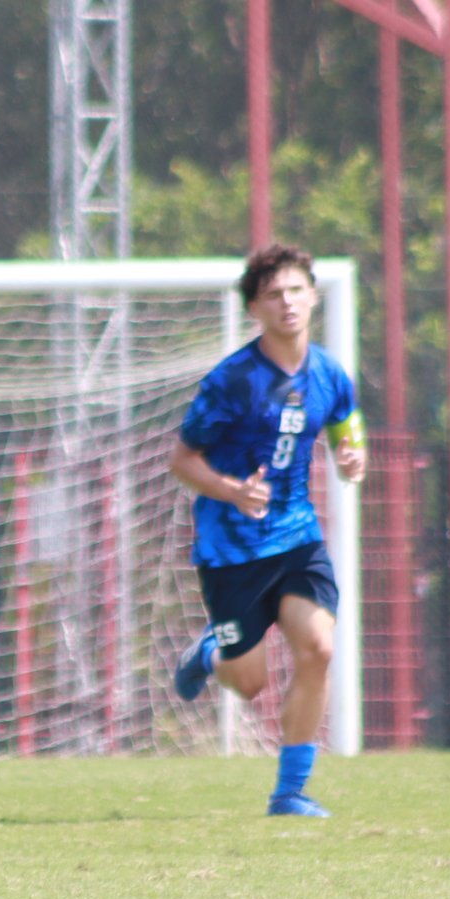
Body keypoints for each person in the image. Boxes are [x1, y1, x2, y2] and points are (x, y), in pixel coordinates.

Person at [168, 243, 366, 817]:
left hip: (297, 539)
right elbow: (182, 459)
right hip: (231, 550)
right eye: (273, 294)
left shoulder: (329, 372)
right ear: (254, 308)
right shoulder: (232, 382)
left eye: (297, 291)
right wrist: (232, 489)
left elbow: (347, 419)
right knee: (249, 682)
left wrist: (354, 456)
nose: (287, 303)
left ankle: (291, 793)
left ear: (313, 297)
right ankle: (211, 653)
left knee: (319, 648)